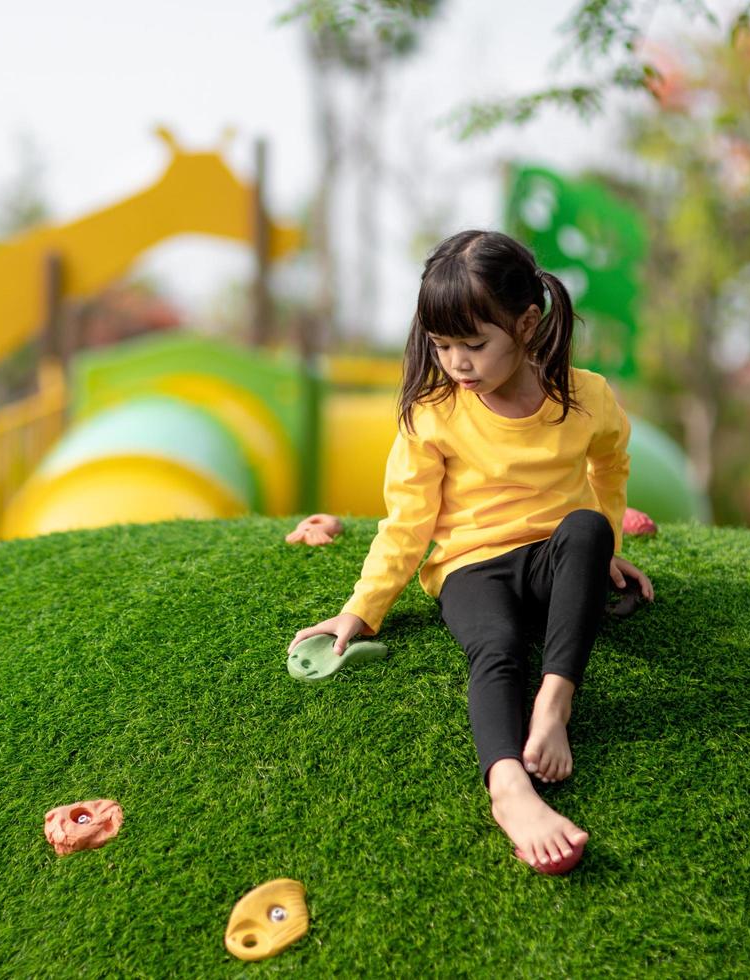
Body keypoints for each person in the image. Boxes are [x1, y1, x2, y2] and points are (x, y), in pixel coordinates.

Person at [288, 229, 654, 873]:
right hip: (470, 569)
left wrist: (603, 550)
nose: (457, 361)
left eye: (475, 344)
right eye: (442, 345)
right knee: (497, 647)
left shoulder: (587, 397)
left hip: (550, 558)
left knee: (588, 531)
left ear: (527, 324)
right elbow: (407, 523)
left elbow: (610, 471)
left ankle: (555, 702)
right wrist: (362, 608)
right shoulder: (432, 413)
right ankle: (509, 787)